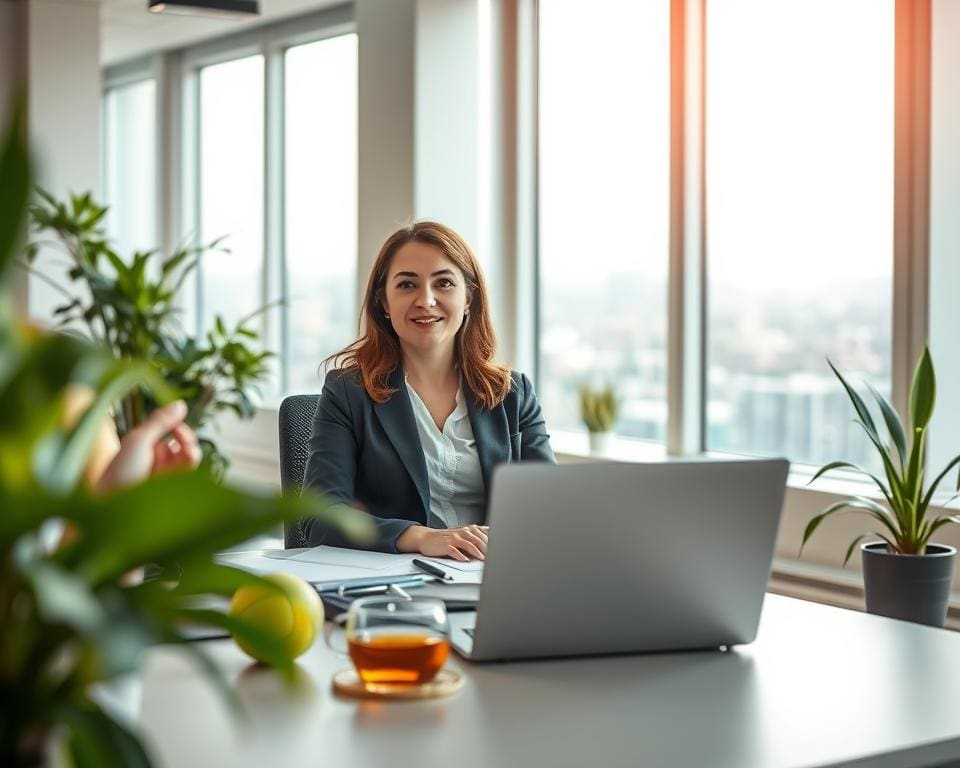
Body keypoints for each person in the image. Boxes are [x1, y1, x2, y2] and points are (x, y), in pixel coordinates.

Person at [302, 221, 555, 560]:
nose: (426, 300)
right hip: (395, 584)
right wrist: (420, 537)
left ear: (468, 299)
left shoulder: (513, 394)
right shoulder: (348, 393)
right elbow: (320, 517)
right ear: (384, 302)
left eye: (444, 283)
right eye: (407, 284)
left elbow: (551, 510)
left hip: (495, 576)